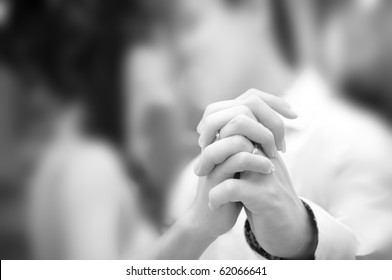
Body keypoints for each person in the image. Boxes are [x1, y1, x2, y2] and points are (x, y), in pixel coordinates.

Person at [169, 0, 392, 259]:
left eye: (191, 21)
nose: (181, 48)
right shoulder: (191, 183)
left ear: (253, 8)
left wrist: (306, 240)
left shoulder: (360, 144)